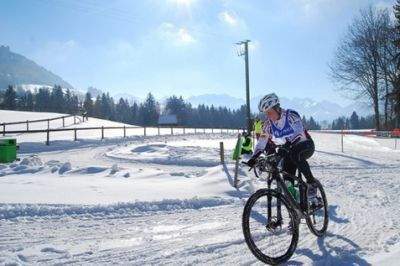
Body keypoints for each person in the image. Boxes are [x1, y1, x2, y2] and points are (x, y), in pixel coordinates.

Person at [246, 93, 317, 202]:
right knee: (286, 176)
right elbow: (262, 143)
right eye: (266, 113)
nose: (268, 116)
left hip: (305, 145)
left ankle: (311, 184)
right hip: (289, 150)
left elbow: (298, 133)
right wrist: (254, 158)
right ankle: (296, 203)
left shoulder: (291, 115)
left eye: (269, 112)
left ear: (277, 108)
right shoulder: (268, 125)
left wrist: (287, 146)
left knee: (295, 154)